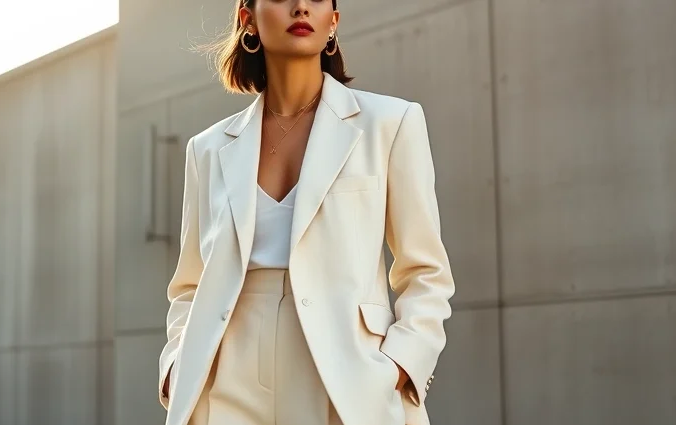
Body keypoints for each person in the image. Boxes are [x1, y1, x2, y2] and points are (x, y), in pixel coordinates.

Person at [157, 1, 455, 424]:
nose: (301, 7)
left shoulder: (390, 123)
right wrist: (175, 364)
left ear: (333, 21)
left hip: (345, 377)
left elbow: (425, 272)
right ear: (248, 19)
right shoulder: (206, 149)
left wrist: (400, 364)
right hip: (224, 376)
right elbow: (189, 283)